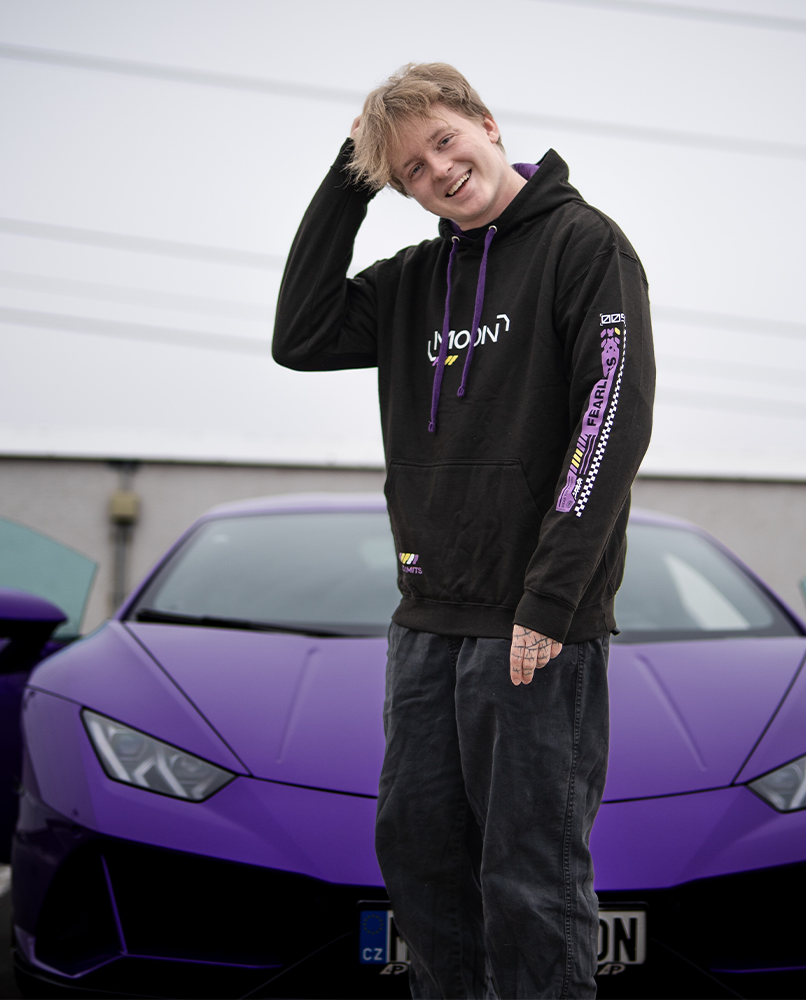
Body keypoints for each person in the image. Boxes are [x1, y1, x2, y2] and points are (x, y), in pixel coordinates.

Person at [272, 63, 655, 1000]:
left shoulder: (583, 244)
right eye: (410, 169)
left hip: (532, 626)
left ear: (486, 124)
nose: (439, 171)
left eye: (445, 142)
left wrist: (549, 599)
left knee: (530, 881)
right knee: (422, 864)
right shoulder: (413, 282)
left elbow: (611, 414)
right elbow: (301, 335)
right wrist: (348, 177)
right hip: (427, 621)